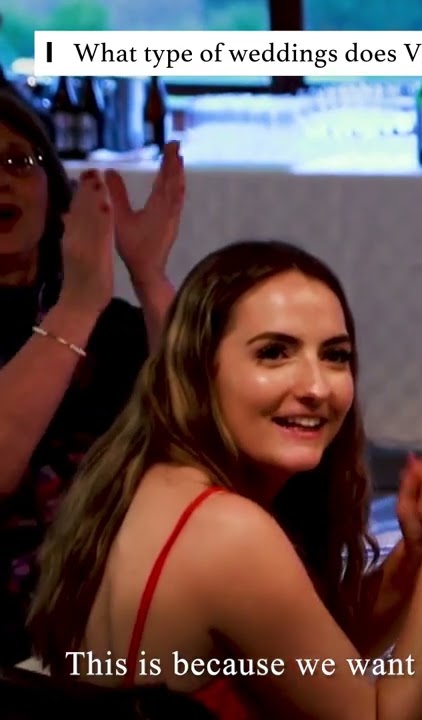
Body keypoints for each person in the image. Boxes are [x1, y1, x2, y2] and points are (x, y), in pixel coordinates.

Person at [25, 240, 422, 719]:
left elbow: (316, 663)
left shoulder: (157, 476)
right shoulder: (227, 531)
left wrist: (417, 553)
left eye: (334, 355)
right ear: (201, 368)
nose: (317, 387)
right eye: (273, 352)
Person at [0, 93, 184, 664]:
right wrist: (77, 306)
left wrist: (149, 275)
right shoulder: (83, 307)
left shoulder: (111, 325)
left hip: (122, 607)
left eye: (17, 162)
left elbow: (199, 432)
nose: (1, 180)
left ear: (53, 191)